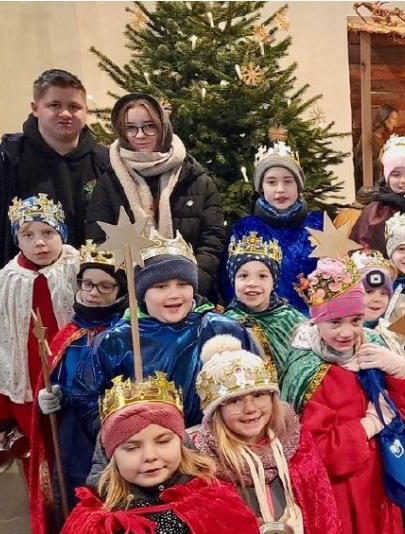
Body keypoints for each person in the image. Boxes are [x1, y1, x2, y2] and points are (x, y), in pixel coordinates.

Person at [279, 257, 405, 534]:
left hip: (383, 477)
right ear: (317, 320)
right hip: (344, 491)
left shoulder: (373, 344)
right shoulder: (308, 371)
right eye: (335, 322)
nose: (347, 332)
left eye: (356, 320)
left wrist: (403, 368)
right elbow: (315, 453)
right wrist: (368, 425)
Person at [74, 231, 256, 432]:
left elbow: (255, 385)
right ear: (142, 294)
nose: (174, 294)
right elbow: (87, 399)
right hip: (148, 452)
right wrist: (122, 433)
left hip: (215, 447)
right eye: (161, 286)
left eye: (183, 284)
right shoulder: (115, 340)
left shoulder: (221, 329)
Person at [0, 195, 79, 534]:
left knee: (83, 457)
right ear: (17, 239)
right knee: (41, 466)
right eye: (28, 235)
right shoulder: (0, 287)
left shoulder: (84, 268)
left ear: (62, 232)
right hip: (28, 398)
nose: (40, 242)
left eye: (48, 232)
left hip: (81, 386)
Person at [0, 69, 109, 305]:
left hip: (93, 297)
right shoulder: (2, 161)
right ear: (35, 107)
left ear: (86, 111)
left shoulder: (105, 162)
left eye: (74, 106)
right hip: (22, 299)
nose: (65, 113)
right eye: (54, 105)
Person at [61, 372, 261, 534]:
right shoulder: (93, 522)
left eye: (163, 441)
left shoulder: (217, 502)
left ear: (182, 443)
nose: (150, 456)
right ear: (111, 455)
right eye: (132, 447)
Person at [192, 335, 342, 534]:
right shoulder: (204, 462)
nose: (250, 408)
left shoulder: (296, 439)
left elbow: (322, 507)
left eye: (258, 395)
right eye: (235, 400)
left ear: (272, 398)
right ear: (216, 411)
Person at [85, 92, 226, 300]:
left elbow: (212, 241)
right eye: (131, 128)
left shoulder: (195, 178)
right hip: (132, 301)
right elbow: (99, 240)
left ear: (163, 127)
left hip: (189, 297)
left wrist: (190, 287)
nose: (139, 135)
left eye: (149, 126)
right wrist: (135, 293)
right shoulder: (110, 181)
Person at [37, 241, 127, 509]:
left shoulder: (126, 332)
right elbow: (57, 378)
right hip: (74, 434)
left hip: (115, 429)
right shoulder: (70, 333)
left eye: (105, 285)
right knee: (75, 496)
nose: (93, 293)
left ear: (120, 289)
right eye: (86, 283)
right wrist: (50, 397)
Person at [222, 141, 323, 312]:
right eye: (271, 182)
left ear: (298, 185)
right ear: (261, 186)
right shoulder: (245, 229)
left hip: (313, 322)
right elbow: (229, 282)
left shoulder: (319, 225)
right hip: (259, 323)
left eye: (288, 181)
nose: (280, 189)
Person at [222, 232, 307, 371]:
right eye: (243, 276)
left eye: (262, 276)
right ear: (233, 280)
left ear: (274, 281)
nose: (252, 283)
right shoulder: (225, 324)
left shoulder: (293, 320)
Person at [352, 250, 405, 356]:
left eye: (383, 293)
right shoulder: (342, 334)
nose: (377, 299)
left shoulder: (390, 334)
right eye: (368, 291)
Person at [353, 104, 398, 184]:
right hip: (371, 187)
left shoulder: (387, 138)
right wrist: (379, 161)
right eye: (393, 119)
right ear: (384, 118)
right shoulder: (368, 137)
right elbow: (361, 166)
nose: (396, 124)